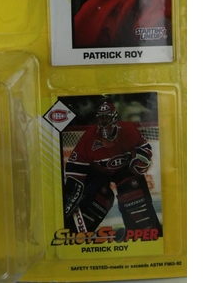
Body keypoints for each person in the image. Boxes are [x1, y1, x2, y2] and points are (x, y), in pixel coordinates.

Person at [63, 100, 161, 236]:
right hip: (98, 172)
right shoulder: (89, 137)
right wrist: (73, 191)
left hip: (125, 170)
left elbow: (144, 148)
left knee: (133, 194)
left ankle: (146, 234)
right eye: (101, 118)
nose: (103, 122)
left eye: (107, 118)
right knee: (99, 198)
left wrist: (141, 160)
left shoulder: (128, 130)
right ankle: (74, 234)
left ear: (115, 118)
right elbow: (75, 168)